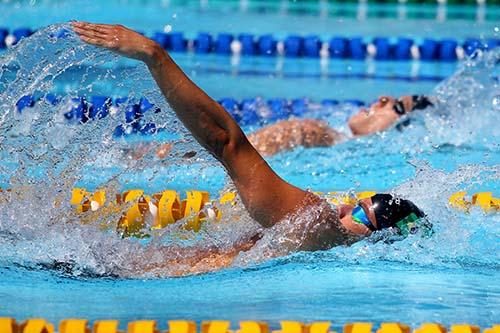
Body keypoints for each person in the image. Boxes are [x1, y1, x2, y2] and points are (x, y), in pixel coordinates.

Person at [72, 22, 429, 276]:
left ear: (376, 243)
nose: (344, 206)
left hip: (115, 272)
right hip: (128, 271)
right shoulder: (326, 251)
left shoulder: (317, 224)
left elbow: (227, 143)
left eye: (363, 213)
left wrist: (156, 56)